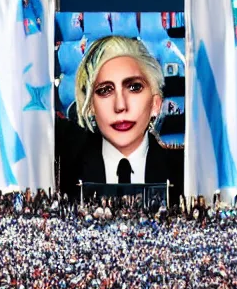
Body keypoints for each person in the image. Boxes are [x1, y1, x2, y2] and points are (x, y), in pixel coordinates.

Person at [56, 35, 184, 203]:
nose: (120, 106)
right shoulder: (66, 164)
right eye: (105, 90)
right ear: (91, 106)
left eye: (134, 87)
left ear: (155, 103)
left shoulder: (184, 172)